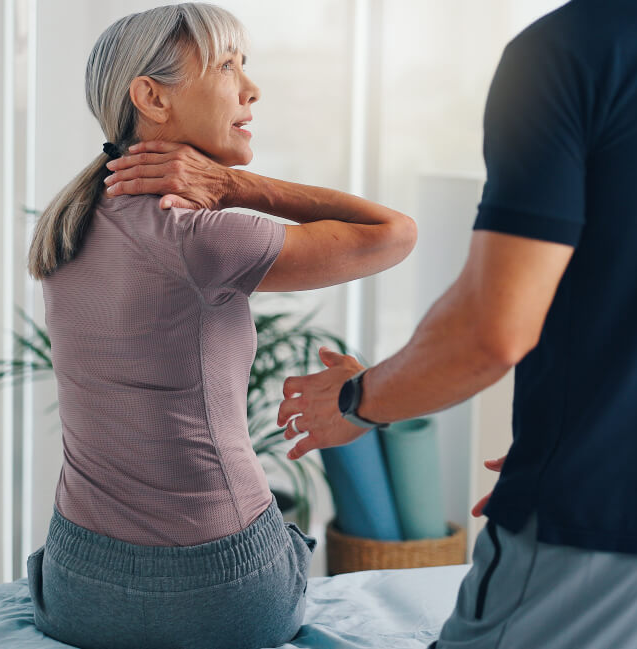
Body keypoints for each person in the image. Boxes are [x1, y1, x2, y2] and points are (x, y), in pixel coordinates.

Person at [272, 0, 637, 648]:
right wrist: (571, 430)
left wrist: (356, 401)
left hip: (612, 518)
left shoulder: (565, 49)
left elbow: (491, 329)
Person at [26, 4, 416, 649]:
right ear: (152, 97)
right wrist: (239, 186)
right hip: (219, 595)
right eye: (228, 65)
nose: (250, 87)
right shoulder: (200, 233)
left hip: (79, 588)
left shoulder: (71, 219)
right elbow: (395, 234)